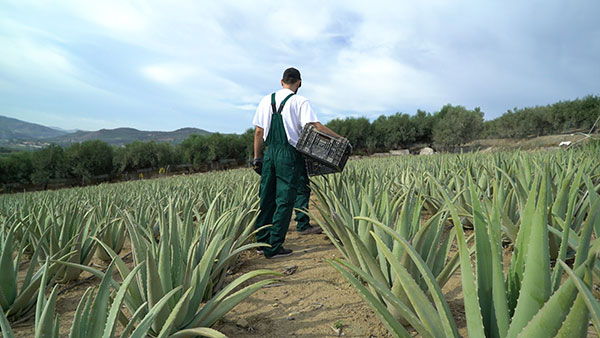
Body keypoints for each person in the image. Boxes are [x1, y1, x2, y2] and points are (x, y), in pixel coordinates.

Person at [252, 67, 342, 258]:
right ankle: (274, 247)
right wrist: (340, 139)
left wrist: (257, 158)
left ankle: (261, 242)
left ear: (281, 81)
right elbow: (314, 126)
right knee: (285, 200)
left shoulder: (266, 100)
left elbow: (259, 132)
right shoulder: (300, 101)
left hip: (269, 154)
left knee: (267, 197)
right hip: (288, 155)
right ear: (299, 83)